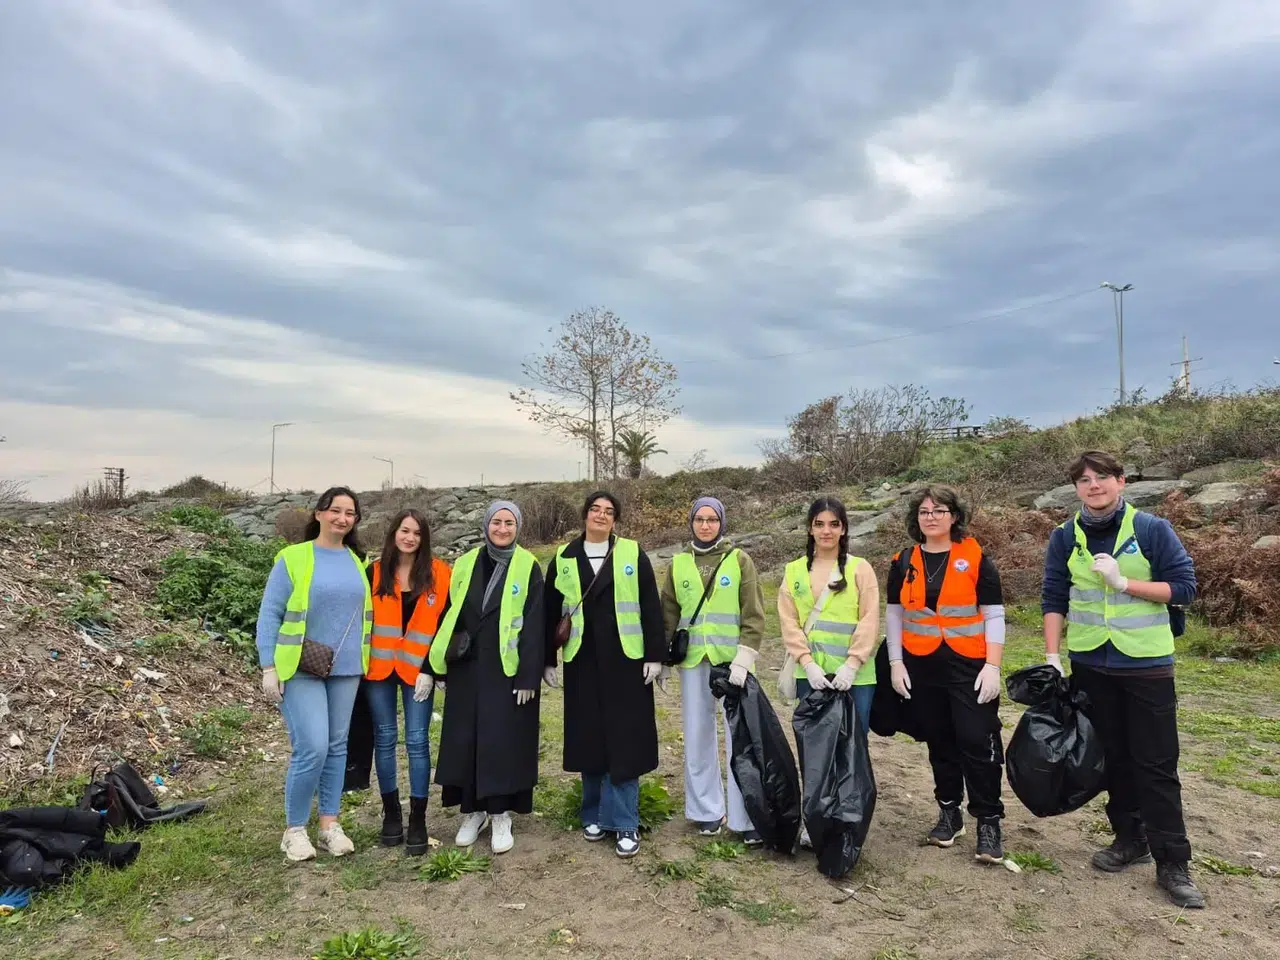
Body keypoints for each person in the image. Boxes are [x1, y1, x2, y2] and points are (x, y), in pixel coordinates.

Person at [1041, 451, 1205, 908]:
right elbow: (1054, 596)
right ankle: (1130, 839)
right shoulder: (1065, 537)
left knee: (1156, 763)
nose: (1093, 485)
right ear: (1076, 488)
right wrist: (1052, 656)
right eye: (1083, 480)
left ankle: (1173, 862)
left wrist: (1124, 584)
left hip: (1146, 665)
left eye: (1101, 477)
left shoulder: (1151, 529)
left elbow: (1185, 588)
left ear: (1121, 481)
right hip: (1090, 663)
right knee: (1112, 757)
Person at [885, 485, 1007, 865]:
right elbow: (894, 615)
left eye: (939, 510)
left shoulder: (976, 558)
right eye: (924, 511)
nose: (931, 517)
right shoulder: (903, 561)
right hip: (921, 665)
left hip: (969, 664)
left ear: (954, 516)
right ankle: (949, 813)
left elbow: (994, 614)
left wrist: (993, 666)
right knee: (939, 740)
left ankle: (989, 821)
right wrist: (895, 662)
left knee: (976, 738)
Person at [543, 492, 666, 858]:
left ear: (615, 520)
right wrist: (548, 660)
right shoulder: (564, 558)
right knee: (589, 736)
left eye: (609, 512)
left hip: (626, 658)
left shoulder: (632, 553)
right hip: (582, 660)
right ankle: (594, 814)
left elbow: (650, 604)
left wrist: (655, 655)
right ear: (585, 515)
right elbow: (550, 612)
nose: (601, 515)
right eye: (595, 509)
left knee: (625, 739)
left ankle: (625, 821)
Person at [256, 486, 373, 862]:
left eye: (350, 513)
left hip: (346, 668)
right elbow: (270, 612)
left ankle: (328, 825)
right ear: (319, 513)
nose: (342, 518)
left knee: (337, 747)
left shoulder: (356, 560)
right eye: (335, 510)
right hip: (300, 666)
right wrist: (269, 666)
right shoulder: (293, 557)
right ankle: (294, 830)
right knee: (313, 746)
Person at [427, 501, 544, 855]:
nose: (503, 529)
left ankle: (500, 814)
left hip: (507, 669)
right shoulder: (465, 563)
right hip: (467, 666)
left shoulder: (528, 565)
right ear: (486, 525)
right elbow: (450, 614)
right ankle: (473, 811)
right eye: (497, 522)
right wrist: (438, 665)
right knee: (466, 739)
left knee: (502, 741)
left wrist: (528, 676)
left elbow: (535, 623)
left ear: (518, 527)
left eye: (510, 523)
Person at [660, 496, 768, 845]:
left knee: (741, 738)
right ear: (691, 522)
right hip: (693, 661)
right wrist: (662, 660)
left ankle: (746, 815)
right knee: (697, 734)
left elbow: (753, 612)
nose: (705, 525)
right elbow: (668, 614)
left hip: (731, 662)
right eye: (699, 519)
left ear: (722, 523)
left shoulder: (739, 560)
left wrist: (745, 657)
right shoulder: (678, 563)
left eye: (712, 519)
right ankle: (706, 810)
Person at [778, 497, 879, 849]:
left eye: (833, 524)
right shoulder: (794, 571)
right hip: (813, 676)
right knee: (816, 750)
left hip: (856, 678)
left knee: (852, 749)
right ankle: (816, 819)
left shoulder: (860, 570)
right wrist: (807, 663)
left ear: (844, 528)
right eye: (819, 524)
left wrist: (853, 663)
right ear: (810, 528)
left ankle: (847, 819)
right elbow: (789, 622)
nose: (826, 531)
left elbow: (869, 618)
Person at [364, 509, 451, 855]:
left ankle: (418, 818)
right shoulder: (374, 572)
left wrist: (433, 669)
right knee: (384, 738)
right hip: (379, 670)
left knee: (417, 741)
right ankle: (391, 813)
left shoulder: (440, 573)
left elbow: (446, 624)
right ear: (394, 533)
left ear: (424, 538)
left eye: (417, 533)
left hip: (418, 672)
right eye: (404, 530)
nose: (410, 538)